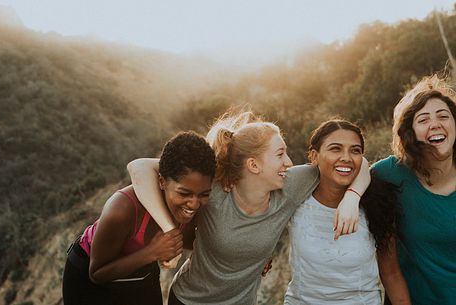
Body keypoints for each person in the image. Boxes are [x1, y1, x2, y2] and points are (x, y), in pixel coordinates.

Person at [128, 111, 369, 305]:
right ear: (253, 165)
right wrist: (170, 231)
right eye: (280, 154)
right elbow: (139, 167)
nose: (289, 162)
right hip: (189, 300)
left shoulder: (291, 185)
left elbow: (357, 162)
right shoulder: (214, 189)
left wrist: (352, 197)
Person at [62, 131, 216, 305]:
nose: (194, 204)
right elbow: (97, 274)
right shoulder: (122, 209)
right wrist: (153, 252)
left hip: (141, 269)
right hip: (89, 277)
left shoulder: (191, 209)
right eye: (184, 193)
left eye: (203, 194)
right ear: (162, 182)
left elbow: (193, 241)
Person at [284, 119, 410, 305]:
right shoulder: (296, 197)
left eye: (355, 150)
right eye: (335, 148)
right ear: (314, 156)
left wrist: (352, 197)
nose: (346, 157)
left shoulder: (377, 204)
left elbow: (391, 274)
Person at [372, 76, 456, 305]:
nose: (435, 124)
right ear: (410, 132)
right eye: (423, 119)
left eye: (443, 116)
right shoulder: (391, 173)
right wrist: (352, 197)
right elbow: (354, 169)